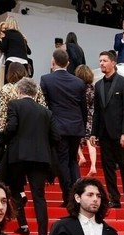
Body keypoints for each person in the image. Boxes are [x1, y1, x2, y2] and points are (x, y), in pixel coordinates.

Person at [5, 77, 59, 235]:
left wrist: (4, 136)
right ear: (35, 93)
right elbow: (55, 137)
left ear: (19, 91)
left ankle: (23, 224)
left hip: (19, 155)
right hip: (40, 157)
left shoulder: (14, 105)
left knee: (15, 189)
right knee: (39, 196)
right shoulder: (46, 112)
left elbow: (11, 127)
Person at [41, 47, 87, 202]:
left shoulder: (46, 79)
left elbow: (45, 106)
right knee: (73, 160)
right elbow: (83, 108)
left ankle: (68, 195)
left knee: (62, 161)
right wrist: (82, 127)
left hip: (58, 127)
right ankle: (78, 193)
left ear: (53, 62)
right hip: (76, 126)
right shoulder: (79, 82)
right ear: (68, 63)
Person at [92, 50, 124, 209]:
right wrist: (93, 133)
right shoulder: (98, 85)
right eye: (100, 61)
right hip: (104, 133)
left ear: (113, 63)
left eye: (104, 61)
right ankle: (114, 199)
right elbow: (97, 111)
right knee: (108, 167)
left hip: (120, 133)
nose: (101, 63)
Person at [74, 64, 97, 176]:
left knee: (76, 138)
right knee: (90, 141)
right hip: (91, 117)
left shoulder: (78, 88)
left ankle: (81, 156)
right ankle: (93, 166)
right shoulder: (93, 88)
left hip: (80, 116)